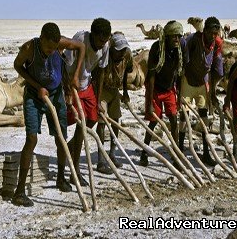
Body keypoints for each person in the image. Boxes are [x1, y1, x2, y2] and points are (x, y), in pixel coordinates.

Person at [12, 22, 85, 207]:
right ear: (41, 38)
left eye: (55, 48)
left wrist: (75, 75)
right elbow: (17, 65)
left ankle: (61, 179)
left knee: (61, 138)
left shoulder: (60, 44)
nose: (52, 51)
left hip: (55, 95)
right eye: (48, 47)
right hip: (34, 96)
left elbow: (82, 47)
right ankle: (19, 192)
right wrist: (37, 86)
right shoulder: (29, 48)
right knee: (31, 139)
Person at [64, 18, 111, 183]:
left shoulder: (105, 46)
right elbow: (66, 62)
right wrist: (68, 89)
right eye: (99, 40)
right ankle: (74, 170)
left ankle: (72, 146)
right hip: (71, 84)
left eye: (105, 40)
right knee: (79, 123)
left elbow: (101, 72)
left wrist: (98, 100)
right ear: (93, 35)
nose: (101, 44)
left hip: (87, 85)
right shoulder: (80, 38)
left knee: (91, 119)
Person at [178, 16, 224, 166]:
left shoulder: (216, 45)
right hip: (188, 82)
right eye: (210, 33)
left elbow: (218, 69)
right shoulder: (193, 40)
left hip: (202, 83)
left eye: (215, 33)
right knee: (184, 116)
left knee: (204, 118)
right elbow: (183, 57)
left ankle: (205, 153)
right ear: (204, 31)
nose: (212, 36)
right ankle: (179, 151)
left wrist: (213, 92)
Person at [139, 21, 183, 167]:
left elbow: (180, 73)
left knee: (174, 120)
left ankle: (176, 155)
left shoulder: (180, 49)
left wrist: (180, 96)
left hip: (170, 89)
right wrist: (151, 101)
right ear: (167, 37)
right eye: (173, 36)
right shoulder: (157, 48)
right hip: (156, 88)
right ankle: (144, 153)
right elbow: (151, 75)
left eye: (179, 36)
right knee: (153, 121)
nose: (176, 39)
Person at [95, 31, 133, 173]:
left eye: (123, 49)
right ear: (112, 49)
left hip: (115, 90)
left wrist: (125, 92)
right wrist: (98, 101)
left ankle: (112, 152)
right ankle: (100, 158)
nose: (122, 53)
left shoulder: (126, 55)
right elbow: (99, 78)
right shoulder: (105, 57)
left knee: (116, 121)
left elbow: (124, 75)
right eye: (119, 50)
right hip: (103, 90)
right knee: (102, 122)